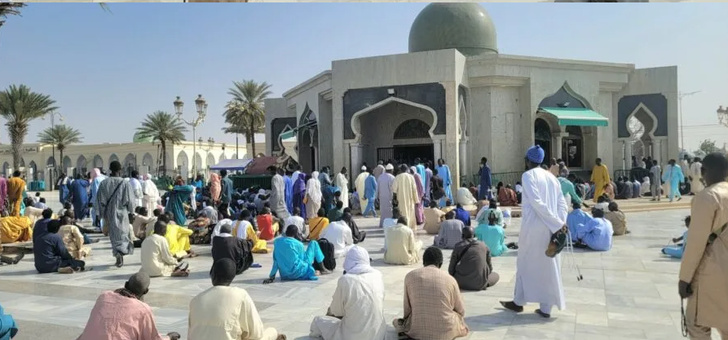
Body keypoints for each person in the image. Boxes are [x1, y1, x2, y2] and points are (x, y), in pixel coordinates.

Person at [501, 145, 568, 319]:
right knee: (549, 267)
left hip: (534, 228)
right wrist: (560, 223)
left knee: (524, 263)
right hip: (551, 228)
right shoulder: (552, 178)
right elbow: (562, 203)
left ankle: (518, 301)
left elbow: (537, 202)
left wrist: (555, 224)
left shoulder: (528, 175)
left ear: (528, 160)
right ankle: (544, 308)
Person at [678, 152, 728, 339]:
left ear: (703, 171)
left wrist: (685, 279)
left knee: (697, 323)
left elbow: (696, 243)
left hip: (711, 271)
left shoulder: (707, 197)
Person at [189, 259, 284, 340]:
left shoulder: (196, 300)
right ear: (232, 276)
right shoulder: (240, 295)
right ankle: (275, 334)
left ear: (212, 274)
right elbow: (256, 334)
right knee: (270, 331)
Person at [310, 246, 386, 340]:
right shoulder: (378, 275)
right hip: (378, 335)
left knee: (318, 321)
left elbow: (336, 311)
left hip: (352, 336)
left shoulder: (346, 280)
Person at [77, 272, 181, 340]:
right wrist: (169, 337)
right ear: (146, 291)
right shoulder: (143, 309)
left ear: (126, 285)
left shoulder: (104, 296)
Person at [393, 247, 469, 340]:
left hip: (417, 331)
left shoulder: (410, 276)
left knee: (397, 322)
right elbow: (461, 311)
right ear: (440, 264)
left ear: (424, 262)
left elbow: (407, 309)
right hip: (446, 333)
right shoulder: (450, 280)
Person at [264, 225, 328, 283]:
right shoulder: (298, 244)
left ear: (286, 232)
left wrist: (272, 277)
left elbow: (276, 260)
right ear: (296, 234)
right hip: (298, 272)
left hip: (285, 275)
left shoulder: (277, 242)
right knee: (314, 243)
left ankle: (315, 270)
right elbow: (302, 259)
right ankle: (322, 268)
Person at [392, 164, 419, 229]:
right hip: (410, 199)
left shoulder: (397, 177)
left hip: (401, 199)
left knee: (402, 213)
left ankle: (403, 227)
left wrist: (394, 199)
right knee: (410, 213)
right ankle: (410, 227)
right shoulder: (411, 177)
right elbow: (414, 190)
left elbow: (394, 190)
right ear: (407, 170)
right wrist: (416, 200)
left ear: (400, 170)